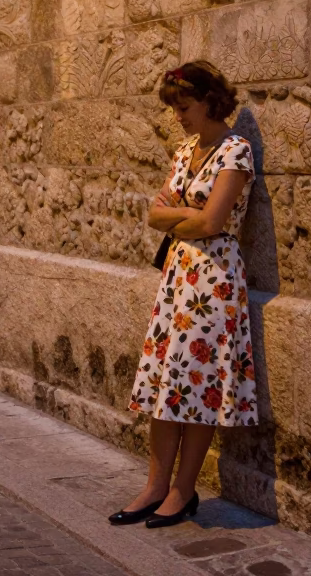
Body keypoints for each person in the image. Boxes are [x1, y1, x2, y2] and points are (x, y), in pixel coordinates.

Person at [108, 60, 257, 529]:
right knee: (164, 384)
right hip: (176, 277)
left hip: (213, 280)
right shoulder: (185, 150)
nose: (179, 116)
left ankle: (183, 490)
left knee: (197, 385)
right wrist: (182, 215)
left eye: (185, 106)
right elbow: (155, 214)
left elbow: (213, 223)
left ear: (212, 101)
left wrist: (178, 215)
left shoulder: (236, 151)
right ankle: (153, 487)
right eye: (174, 108)